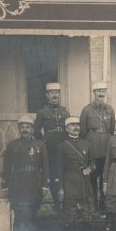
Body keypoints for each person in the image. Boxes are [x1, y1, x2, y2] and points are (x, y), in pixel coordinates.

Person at [2, 115, 50, 231]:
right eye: (22, 127)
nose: (25, 129)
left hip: (33, 184)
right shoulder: (12, 145)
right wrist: (5, 185)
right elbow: (6, 167)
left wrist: (45, 185)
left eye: (28, 127)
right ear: (19, 129)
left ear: (32, 129)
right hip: (17, 184)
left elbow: (45, 167)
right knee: (18, 215)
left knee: (32, 215)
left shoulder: (40, 145)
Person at [56, 116, 95, 231]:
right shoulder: (62, 146)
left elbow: (93, 162)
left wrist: (89, 169)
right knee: (71, 213)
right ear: (67, 128)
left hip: (84, 182)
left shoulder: (86, 144)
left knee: (86, 212)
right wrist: (61, 188)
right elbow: (60, 169)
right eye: (72, 125)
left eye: (77, 124)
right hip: (70, 181)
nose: (75, 127)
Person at [79, 82, 115, 211]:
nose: (101, 93)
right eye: (98, 91)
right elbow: (82, 132)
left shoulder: (110, 109)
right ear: (94, 93)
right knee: (93, 177)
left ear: (106, 93)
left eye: (103, 91)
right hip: (92, 146)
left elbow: (111, 130)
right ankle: (93, 203)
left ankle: (104, 204)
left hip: (106, 146)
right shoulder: (87, 110)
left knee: (105, 176)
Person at [33, 82, 69, 211]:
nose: (55, 95)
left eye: (57, 92)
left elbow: (68, 128)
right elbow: (36, 132)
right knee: (54, 175)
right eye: (52, 93)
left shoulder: (64, 110)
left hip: (64, 147)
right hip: (50, 149)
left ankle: (65, 202)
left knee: (65, 173)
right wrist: (44, 143)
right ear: (47, 95)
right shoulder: (42, 112)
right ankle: (56, 202)